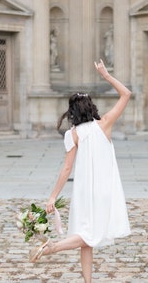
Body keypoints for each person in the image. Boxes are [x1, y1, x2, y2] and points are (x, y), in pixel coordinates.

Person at [30, 59, 131, 283]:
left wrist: (53, 196)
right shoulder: (104, 124)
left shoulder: (73, 134)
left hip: (83, 193)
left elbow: (66, 169)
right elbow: (126, 94)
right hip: (103, 191)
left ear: (72, 111)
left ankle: (87, 281)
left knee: (88, 238)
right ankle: (52, 248)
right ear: (91, 107)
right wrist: (106, 75)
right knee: (89, 236)